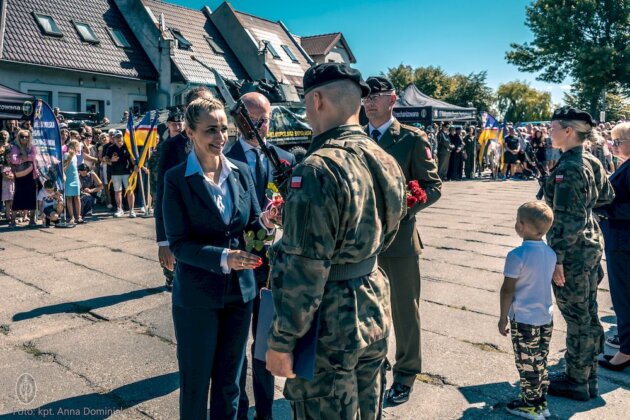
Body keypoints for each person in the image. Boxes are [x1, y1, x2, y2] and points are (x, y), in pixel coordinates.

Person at [265, 64, 407, 419]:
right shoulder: (383, 157)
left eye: (304, 101)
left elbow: (305, 269)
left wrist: (282, 341)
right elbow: (389, 230)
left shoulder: (317, 168)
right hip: (373, 303)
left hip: (328, 324)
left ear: (316, 99)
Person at [163, 97, 276, 420]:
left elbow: (254, 224)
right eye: (211, 130)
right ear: (189, 132)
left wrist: (268, 221)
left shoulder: (240, 173)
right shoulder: (175, 179)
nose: (221, 137)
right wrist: (225, 257)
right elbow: (180, 245)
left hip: (240, 295)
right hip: (197, 297)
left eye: (224, 129)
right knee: (196, 384)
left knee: (230, 385)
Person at [364, 75, 442, 404]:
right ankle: (371, 364)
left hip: (399, 242)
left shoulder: (411, 138)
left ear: (393, 99)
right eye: (365, 97)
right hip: (362, 242)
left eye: (376, 96)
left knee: (404, 312)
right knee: (366, 309)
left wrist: (404, 208)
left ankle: (406, 373)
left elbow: (433, 186)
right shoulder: (355, 137)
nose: (369, 102)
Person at [224, 92, 296, 420]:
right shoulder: (223, 158)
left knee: (264, 342)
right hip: (238, 265)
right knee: (236, 345)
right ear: (241, 119)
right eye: (256, 119)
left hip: (272, 265)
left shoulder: (283, 159)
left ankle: (265, 412)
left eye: (266, 119)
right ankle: (238, 410)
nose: (262, 126)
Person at [542, 106, 615, 401]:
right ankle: (587, 376)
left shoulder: (571, 166)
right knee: (587, 312)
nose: (550, 133)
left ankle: (577, 380)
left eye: (553, 127)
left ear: (569, 131)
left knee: (578, 317)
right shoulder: (590, 159)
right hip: (589, 244)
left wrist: (556, 258)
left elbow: (568, 219)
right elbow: (607, 196)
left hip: (572, 251)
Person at [499, 201, 556, 419]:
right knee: (539, 359)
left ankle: (531, 405)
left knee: (526, 363)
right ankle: (541, 401)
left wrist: (503, 317)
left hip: (524, 319)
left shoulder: (517, 255)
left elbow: (507, 290)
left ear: (521, 226)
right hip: (545, 317)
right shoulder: (550, 254)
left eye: (517, 220)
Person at [155, 88, 214, 292]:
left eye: (210, 104)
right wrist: (163, 241)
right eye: (200, 105)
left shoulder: (220, 143)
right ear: (189, 110)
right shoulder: (172, 146)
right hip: (183, 230)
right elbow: (162, 193)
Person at [595, 122, 630, 371]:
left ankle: (627, 351)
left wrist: (604, 208)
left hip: (623, 240)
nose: (613, 145)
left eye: (618, 141)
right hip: (620, 238)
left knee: (624, 295)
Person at [9, 130, 38, 227]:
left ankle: (32, 220)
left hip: (31, 176)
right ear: (18, 137)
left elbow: (33, 157)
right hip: (20, 176)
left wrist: (22, 158)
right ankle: (12, 221)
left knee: (32, 197)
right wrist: (25, 158)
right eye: (22, 136)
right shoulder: (15, 147)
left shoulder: (32, 147)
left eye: (26, 136)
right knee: (17, 197)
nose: (24, 138)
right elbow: (13, 159)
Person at [106, 130, 137, 218]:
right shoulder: (111, 148)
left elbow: (132, 158)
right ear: (114, 138)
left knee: (130, 191)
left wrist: (135, 165)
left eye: (120, 136)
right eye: (116, 137)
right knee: (117, 191)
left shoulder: (128, 146)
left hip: (127, 172)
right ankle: (120, 209)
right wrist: (111, 160)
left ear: (122, 137)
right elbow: (105, 158)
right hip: (115, 173)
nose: (118, 138)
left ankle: (132, 210)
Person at [64, 140, 83, 224]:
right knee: (69, 198)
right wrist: (69, 158)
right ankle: (71, 217)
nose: (78, 148)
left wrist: (78, 180)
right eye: (76, 146)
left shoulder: (76, 156)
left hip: (75, 178)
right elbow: (64, 168)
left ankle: (78, 216)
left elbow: (75, 169)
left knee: (77, 197)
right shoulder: (66, 155)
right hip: (68, 179)